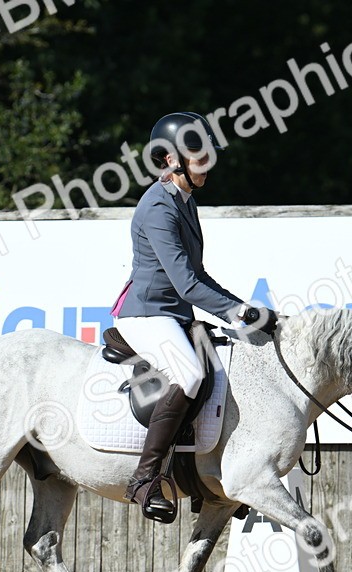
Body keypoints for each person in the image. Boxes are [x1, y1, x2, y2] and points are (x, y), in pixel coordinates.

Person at [109, 111, 269, 523]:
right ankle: (144, 479)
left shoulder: (184, 201)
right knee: (190, 374)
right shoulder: (158, 207)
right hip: (146, 313)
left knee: (223, 362)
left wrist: (243, 311)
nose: (208, 163)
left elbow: (199, 275)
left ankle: (201, 475)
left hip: (173, 313)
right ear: (171, 159)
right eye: (200, 156)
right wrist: (238, 312)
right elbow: (185, 284)